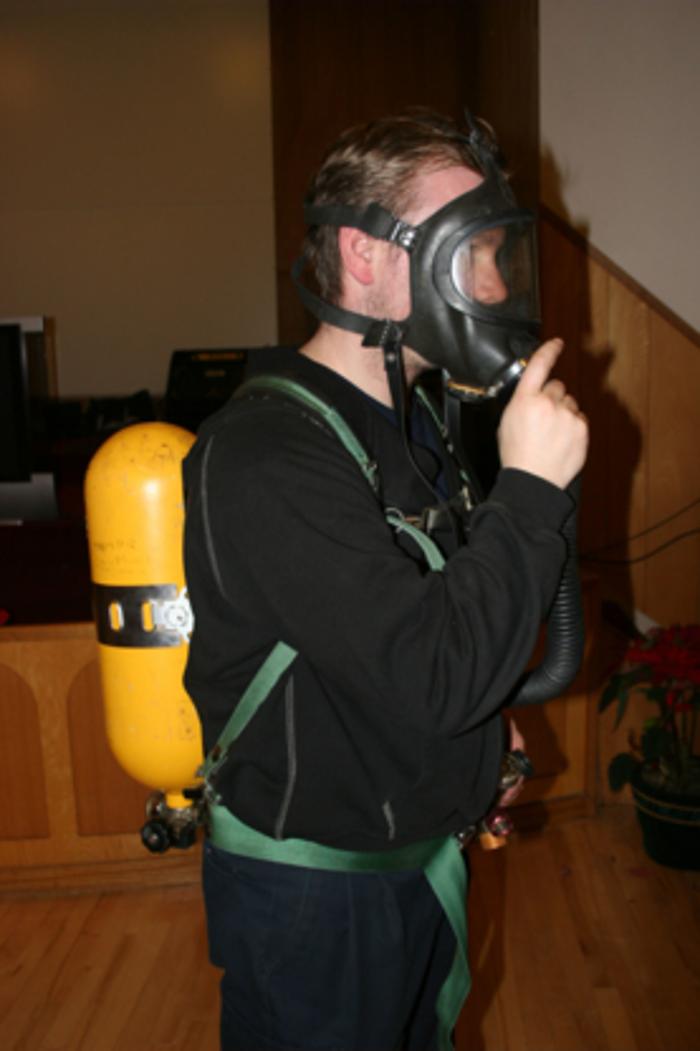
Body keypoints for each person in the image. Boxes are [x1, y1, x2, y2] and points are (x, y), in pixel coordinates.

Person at [182, 109, 588, 1051]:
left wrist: (485, 747)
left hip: (414, 863)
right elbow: (433, 674)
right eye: (470, 251)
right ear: (363, 254)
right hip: (314, 902)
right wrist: (531, 492)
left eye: (498, 253)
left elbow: (421, 633)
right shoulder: (266, 454)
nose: (496, 285)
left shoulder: (418, 425)